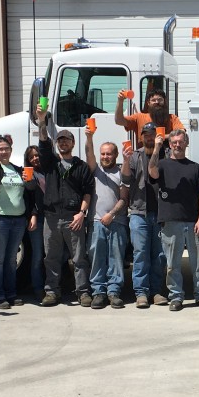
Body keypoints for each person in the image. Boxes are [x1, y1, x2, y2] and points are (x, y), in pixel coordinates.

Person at [35, 106, 94, 307]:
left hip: (73, 218)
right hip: (51, 218)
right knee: (51, 258)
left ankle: (83, 292)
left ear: (73, 143)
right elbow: (43, 142)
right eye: (60, 140)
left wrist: (81, 213)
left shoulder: (81, 166)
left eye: (66, 140)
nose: (63, 143)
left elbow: (88, 192)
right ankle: (52, 292)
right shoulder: (50, 163)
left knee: (79, 259)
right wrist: (42, 121)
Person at [149, 129, 199, 310]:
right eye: (174, 142)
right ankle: (176, 297)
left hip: (193, 222)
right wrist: (156, 147)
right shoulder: (162, 164)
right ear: (170, 144)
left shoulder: (195, 167)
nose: (177, 144)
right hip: (170, 222)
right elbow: (152, 172)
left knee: (198, 263)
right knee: (172, 264)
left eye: (181, 141)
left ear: (186, 143)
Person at [0, 136, 35, 310]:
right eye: (0, 149)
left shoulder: (18, 170)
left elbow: (29, 192)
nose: (4, 152)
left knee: (11, 260)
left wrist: (30, 183)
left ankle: (11, 293)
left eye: (6, 149)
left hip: (18, 220)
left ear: (11, 150)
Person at [82, 129, 129, 309]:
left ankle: (114, 292)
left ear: (115, 155)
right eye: (103, 153)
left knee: (116, 258)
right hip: (95, 222)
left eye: (109, 154)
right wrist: (89, 137)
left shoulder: (121, 173)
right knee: (96, 258)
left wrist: (112, 214)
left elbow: (125, 198)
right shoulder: (95, 170)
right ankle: (98, 293)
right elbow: (88, 153)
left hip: (117, 222)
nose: (105, 156)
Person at [122, 123, 167, 307]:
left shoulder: (167, 154)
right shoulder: (134, 156)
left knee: (160, 255)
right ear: (141, 137)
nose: (149, 138)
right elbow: (125, 179)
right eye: (146, 135)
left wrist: (158, 147)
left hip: (162, 213)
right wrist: (125, 160)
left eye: (152, 135)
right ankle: (141, 293)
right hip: (139, 212)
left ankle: (156, 291)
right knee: (140, 253)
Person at [22, 145, 47, 300]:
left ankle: (52, 285)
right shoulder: (28, 174)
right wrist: (33, 214)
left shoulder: (49, 170)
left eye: (37, 155)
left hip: (52, 217)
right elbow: (29, 196)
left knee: (55, 254)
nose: (35, 158)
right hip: (36, 218)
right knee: (37, 255)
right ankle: (38, 288)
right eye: (31, 157)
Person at [115, 89, 184, 142]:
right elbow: (119, 121)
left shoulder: (172, 118)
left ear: (164, 101)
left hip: (166, 156)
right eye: (153, 100)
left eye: (160, 99)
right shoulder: (139, 117)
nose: (157, 102)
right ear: (148, 103)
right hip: (145, 156)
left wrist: (162, 137)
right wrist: (120, 101)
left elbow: (182, 133)